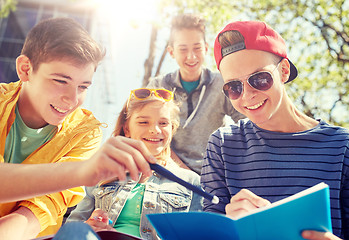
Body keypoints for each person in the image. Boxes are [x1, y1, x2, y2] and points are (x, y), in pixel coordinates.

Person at [201, 20, 349, 240]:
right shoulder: (222, 145)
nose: (247, 95)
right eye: (234, 87)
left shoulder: (348, 148)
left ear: (284, 71)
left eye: (259, 79)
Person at [0, 17, 156, 240]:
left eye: (83, 87)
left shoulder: (85, 132)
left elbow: (44, 208)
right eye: (60, 81)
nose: (72, 99)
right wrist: (83, 171)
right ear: (25, 69)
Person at [66, 88, 202, 240]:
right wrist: (89, 228)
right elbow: (72, 229)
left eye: (163, 123)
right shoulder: (102, 175)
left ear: (172, 129)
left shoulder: (191, 182)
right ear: (127, 129)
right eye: (143, 122)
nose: (154, 130)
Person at [147, 13, 244, 174]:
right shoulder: (158, 86)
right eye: (183, 49)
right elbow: (149, 136)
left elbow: (247, 122)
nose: (191, 56)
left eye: (197, 48)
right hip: (168, 172)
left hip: (215, 172)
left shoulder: (221, 83)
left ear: (206, 48)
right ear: (171, 52)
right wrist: (187, 175)